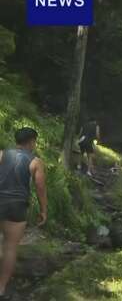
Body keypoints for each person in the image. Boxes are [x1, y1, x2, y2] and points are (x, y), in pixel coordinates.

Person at [0, 128, 47, 300]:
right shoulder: (35, 161)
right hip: (17, 206)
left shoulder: (2, 154)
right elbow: (40, 188)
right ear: (32, 141)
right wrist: (43, 211)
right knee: (10, 247)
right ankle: (1, 288)